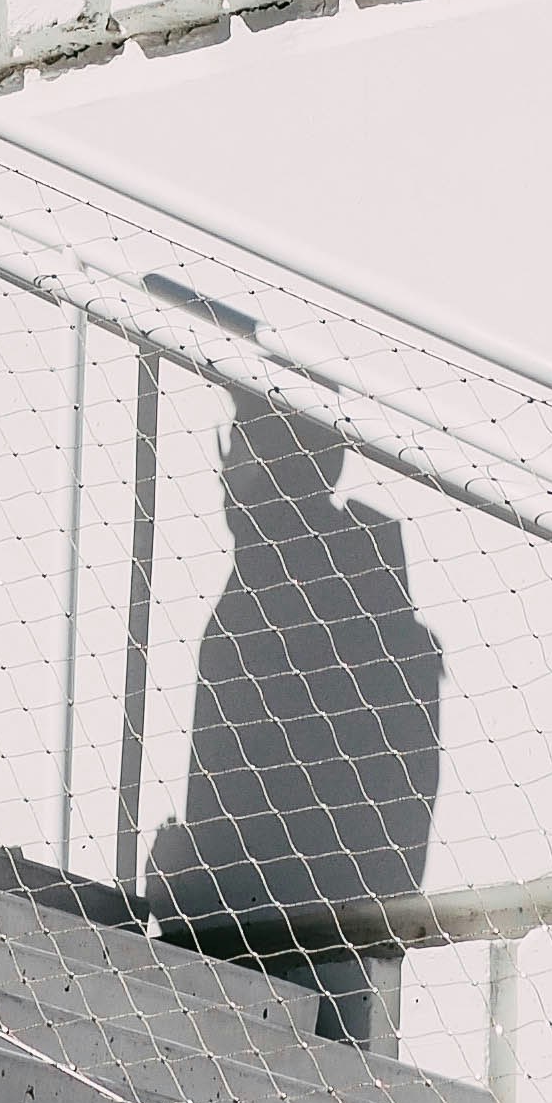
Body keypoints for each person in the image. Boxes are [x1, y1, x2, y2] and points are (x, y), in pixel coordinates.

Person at [140, 394, 448, 1045]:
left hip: (268, 966)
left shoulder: (282, 598)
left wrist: (185, 871)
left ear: (282, 461)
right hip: (327, 962)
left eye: (241, 449)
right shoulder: (355, 597)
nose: (224, 472)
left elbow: (273, 806)